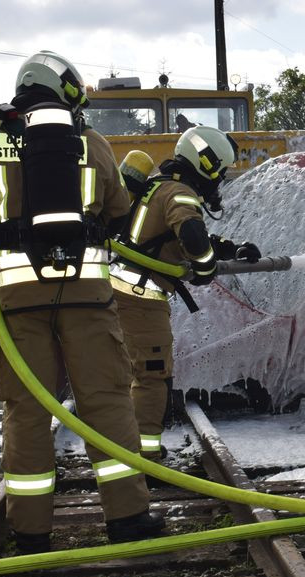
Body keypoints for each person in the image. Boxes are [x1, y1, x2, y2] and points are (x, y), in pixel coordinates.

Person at [0, 50, 163, 553]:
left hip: (16, 300)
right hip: (89, 296)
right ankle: (128, 518)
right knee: (106, 400)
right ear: (65, 89)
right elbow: (119, 216)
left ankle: (31, 531)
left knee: (27, 409)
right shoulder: (94, 144)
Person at [110, 129, 259, 461]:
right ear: (205, 164)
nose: (219, 180)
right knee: (152, 375)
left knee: (127, 373)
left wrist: (231, 250)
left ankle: (128, 446)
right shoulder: (179, 193)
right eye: (219, 172)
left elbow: (179, 237)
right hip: (141, 295)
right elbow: (191, 235)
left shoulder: (160, 187)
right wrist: (206, 267)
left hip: (121, 288)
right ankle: (143, 456)